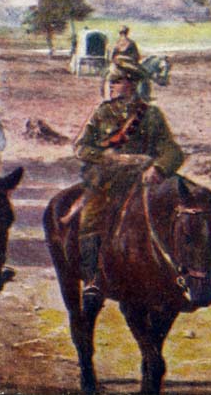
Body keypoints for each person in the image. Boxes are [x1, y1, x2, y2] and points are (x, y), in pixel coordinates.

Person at [72, 56, 184, 311]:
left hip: (144, 180)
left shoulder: (151, 115)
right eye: (112, 81)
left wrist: (158, 167)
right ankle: (92, 280)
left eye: (117, 81)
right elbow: (80, 147)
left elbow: (173, 151)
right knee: (89, 217)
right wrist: (107, 157)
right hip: (107, 181)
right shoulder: (102, 113)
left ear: (131, 84)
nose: (112, 85)